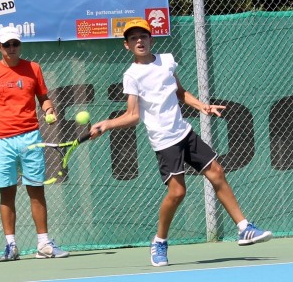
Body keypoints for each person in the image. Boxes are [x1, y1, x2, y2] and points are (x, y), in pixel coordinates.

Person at [89, 18, 272, 267]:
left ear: (151, 39)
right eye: (134, 38)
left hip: (184, 132)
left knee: (217, 172)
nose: (140, 41)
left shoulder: (166, 61)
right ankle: (160, 241)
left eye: (143, 36)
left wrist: (202, 106)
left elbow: (180, 92)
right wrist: (107, 124)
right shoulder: (131, 75)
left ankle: (244, 228)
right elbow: (133, 115)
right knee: (177, 192)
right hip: (164, 141)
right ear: (127, 45)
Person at [0, 26, 69, 262]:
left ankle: (43, 244)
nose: (11, 48)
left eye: (15, 44)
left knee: (36, 191)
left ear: (20, 45)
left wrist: (49, 109)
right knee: (7, 193)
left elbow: (43, 98)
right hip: (1, 141)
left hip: (30, 139)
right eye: (7, 45)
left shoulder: (33, 68)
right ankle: (11, 246)